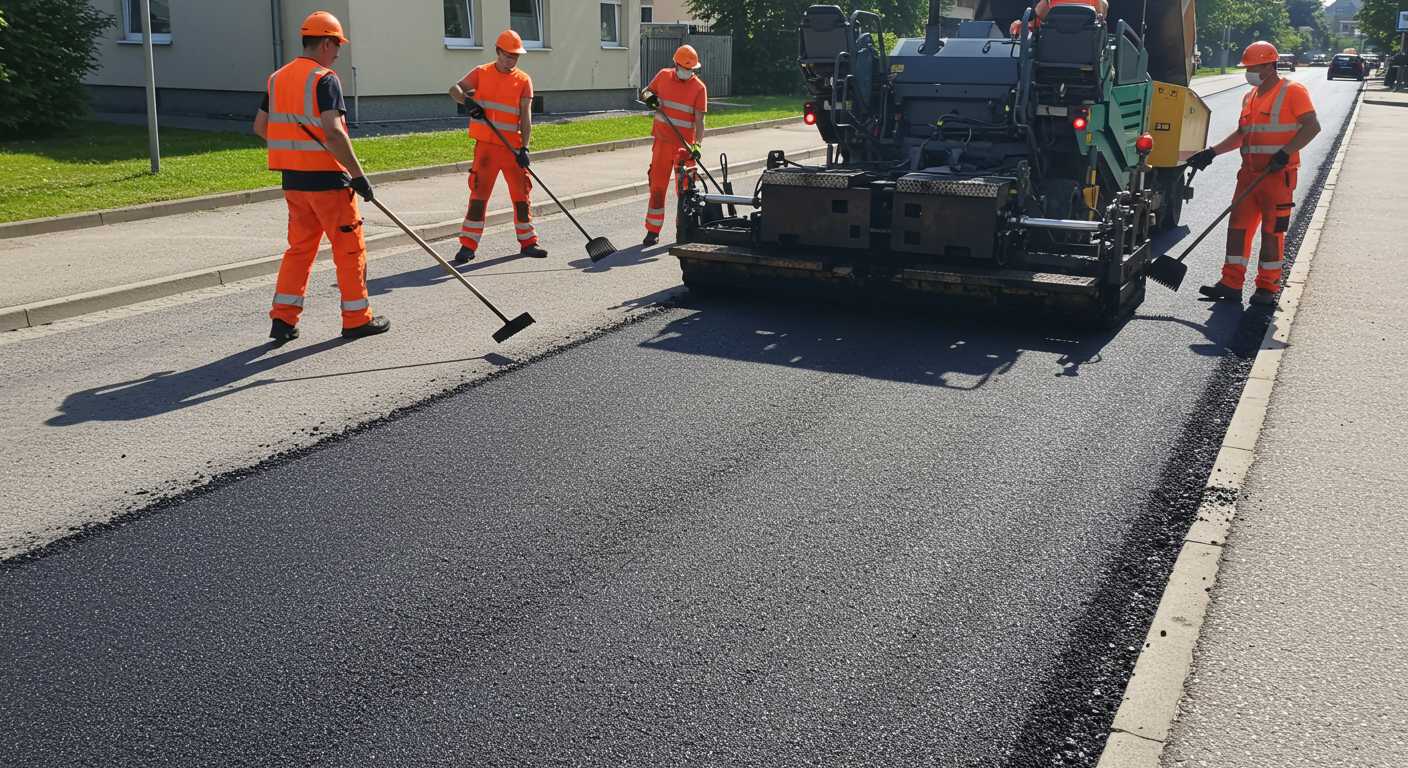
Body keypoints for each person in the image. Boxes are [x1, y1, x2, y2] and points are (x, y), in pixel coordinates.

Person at [253, 11, 389, 343]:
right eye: (337, 46)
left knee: (299, 250)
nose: (338, 53)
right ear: (326, 43)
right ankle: (357, 318)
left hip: (294, 183)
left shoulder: (277, 78)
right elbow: (334, 132)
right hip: (329, 184)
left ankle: (283, 321)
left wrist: (296, 151)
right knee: (349, 250)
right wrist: (358, 176)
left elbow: (260, 128)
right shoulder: (324, 79)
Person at [1186, 41, 1321, 307]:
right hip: (1248, 174)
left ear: (1270, 66)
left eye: (1253, 67)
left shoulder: (1293, 91)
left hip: (1277, 177)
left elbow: (1312, 126)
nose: (1249, 72)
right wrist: (1211, 153)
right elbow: (1242, 135)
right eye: (1247, 67)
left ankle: (1267, 288)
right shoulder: (1250, 96)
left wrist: (1285, 152)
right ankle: (1231, 283)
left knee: (1272, 233)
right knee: (1237, 229)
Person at [447, 30, 546, 265]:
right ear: (498, 52)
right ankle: (468, 246)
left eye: (515, 57)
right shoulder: (481, 73)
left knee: (521, 197)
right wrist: (468, 102)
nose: (511, 60)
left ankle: (528, 242)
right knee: (479, 196)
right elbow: (454, 90)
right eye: (508, 55)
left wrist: (525, 149)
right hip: (486, 149)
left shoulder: (523, 80)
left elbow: (526, 117)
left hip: (511, 149)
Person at [639, 45, 708, 247]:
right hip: (662, 142)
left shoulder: (699, 88)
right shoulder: (662, 76)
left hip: (684, 148)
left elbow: (700, 121)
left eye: (692, 69)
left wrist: (698, 145)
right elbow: (645, 92)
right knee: (658, 187)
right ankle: (652, 231)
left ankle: (683, 229)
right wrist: (650, 98)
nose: (689, 72)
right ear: (676, 64)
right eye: (686, 68)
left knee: (686, 191)